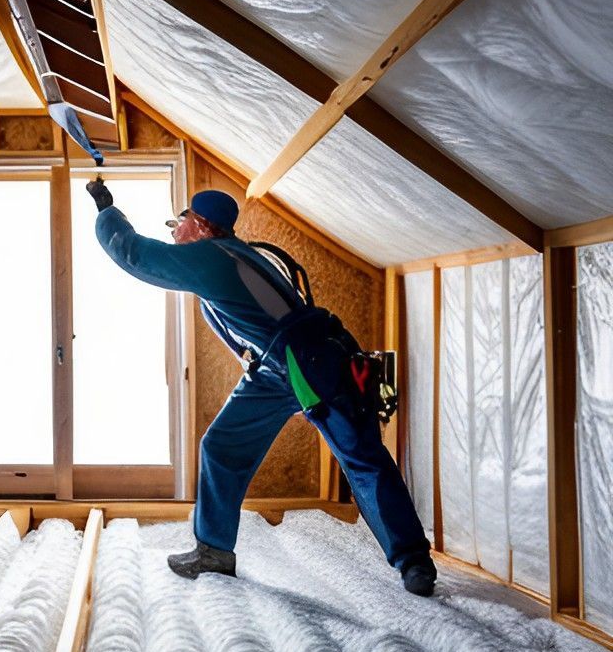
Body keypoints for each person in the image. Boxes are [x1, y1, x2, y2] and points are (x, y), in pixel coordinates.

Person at [85, 179, 437, 597]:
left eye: (177, 223)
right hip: (275, 369)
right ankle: (213, 550)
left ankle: (414, 561)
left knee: (361, 458)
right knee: (222, 445)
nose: (173, 232)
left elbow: (135, 254)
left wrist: (107, 209)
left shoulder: (212, 257)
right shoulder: (236, 254)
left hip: (311, 366)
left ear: (199, 225)